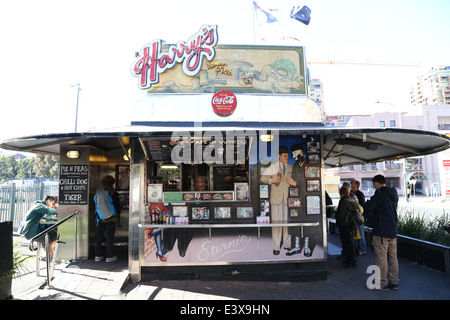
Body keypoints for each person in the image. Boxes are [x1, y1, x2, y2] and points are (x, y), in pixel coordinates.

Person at [364, 174, 399, 290]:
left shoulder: (379, 194)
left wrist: (367, 203)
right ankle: (394, 282)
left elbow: (368, 207)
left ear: (376, 183)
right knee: (393, 257)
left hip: (381, 232)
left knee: (381, 258)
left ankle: (382, 282)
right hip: (393, 231)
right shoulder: (393, 194)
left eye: (374, 185)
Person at [260, 145, 292, 255]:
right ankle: (276, 247)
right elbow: (262, 178)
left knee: (287, 223)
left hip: (287, 199)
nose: (287, 157)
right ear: (279, 156)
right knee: (276, 223)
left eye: (287, 156)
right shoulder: (273, 167)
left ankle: (287, 245)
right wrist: (271, 180)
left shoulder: (290, 168)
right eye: (285, 156)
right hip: (276, 199)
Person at [94, 175, 121, 263]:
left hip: (100, 218)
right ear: (112, 183)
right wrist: (117, 212)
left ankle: (98, 255)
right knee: (109, 237)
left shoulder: (98, 191)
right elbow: (117, 205)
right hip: (111, 218)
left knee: (99, 237)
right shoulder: (112, 192)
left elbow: (95, 204)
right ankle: (109, 256)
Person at [336, 186, 357, 268]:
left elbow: (341, 214)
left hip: (345, 225)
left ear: (342, 193)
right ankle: (349, 260)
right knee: (349, 243)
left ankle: (351, 261)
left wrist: (337, 223)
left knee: (348, 243)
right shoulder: (350, 199)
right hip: (350, 224)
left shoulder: (344, 201)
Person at [351, 179, 367, 255]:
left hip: (359, 217)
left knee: (360, 233)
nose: (351, 184)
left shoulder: (360, 194)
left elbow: (363, 206)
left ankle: (363, 249)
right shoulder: (351, 193)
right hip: (353, 217)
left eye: (352, 183)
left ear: (356, 185)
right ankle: (357, 248)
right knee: (356, 233)